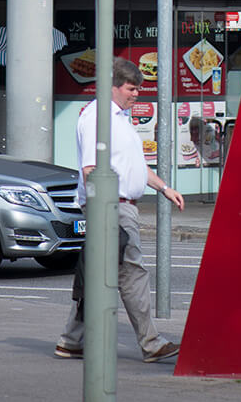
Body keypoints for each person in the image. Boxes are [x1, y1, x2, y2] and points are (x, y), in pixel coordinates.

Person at [55, 57, 185, 363]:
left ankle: (71, 340)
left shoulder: (119, 118)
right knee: (132, 272)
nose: (137, 94)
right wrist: (104, 210)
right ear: (112, 87)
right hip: (112, 207)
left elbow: (134, 168)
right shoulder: (98, 117)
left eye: (139, 88)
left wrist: (164, 188)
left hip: (120, 206)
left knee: (99, 274)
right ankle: (150, 341)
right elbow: (90, 168)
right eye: (131, 88)